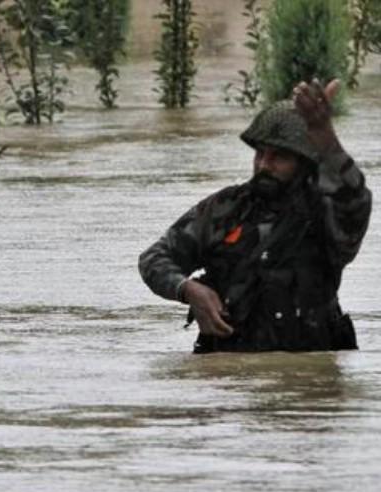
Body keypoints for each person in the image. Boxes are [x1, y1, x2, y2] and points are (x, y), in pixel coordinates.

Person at [139, 79, 372, 353]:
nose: (263, 165)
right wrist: (188, 290)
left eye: (278, 157)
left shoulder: (324, 215)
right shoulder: (227, 208)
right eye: (260, 153)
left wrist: (325, 137)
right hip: (232, 384)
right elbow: (154, 258)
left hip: (308, 382)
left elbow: (354, 200)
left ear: (303, 163)